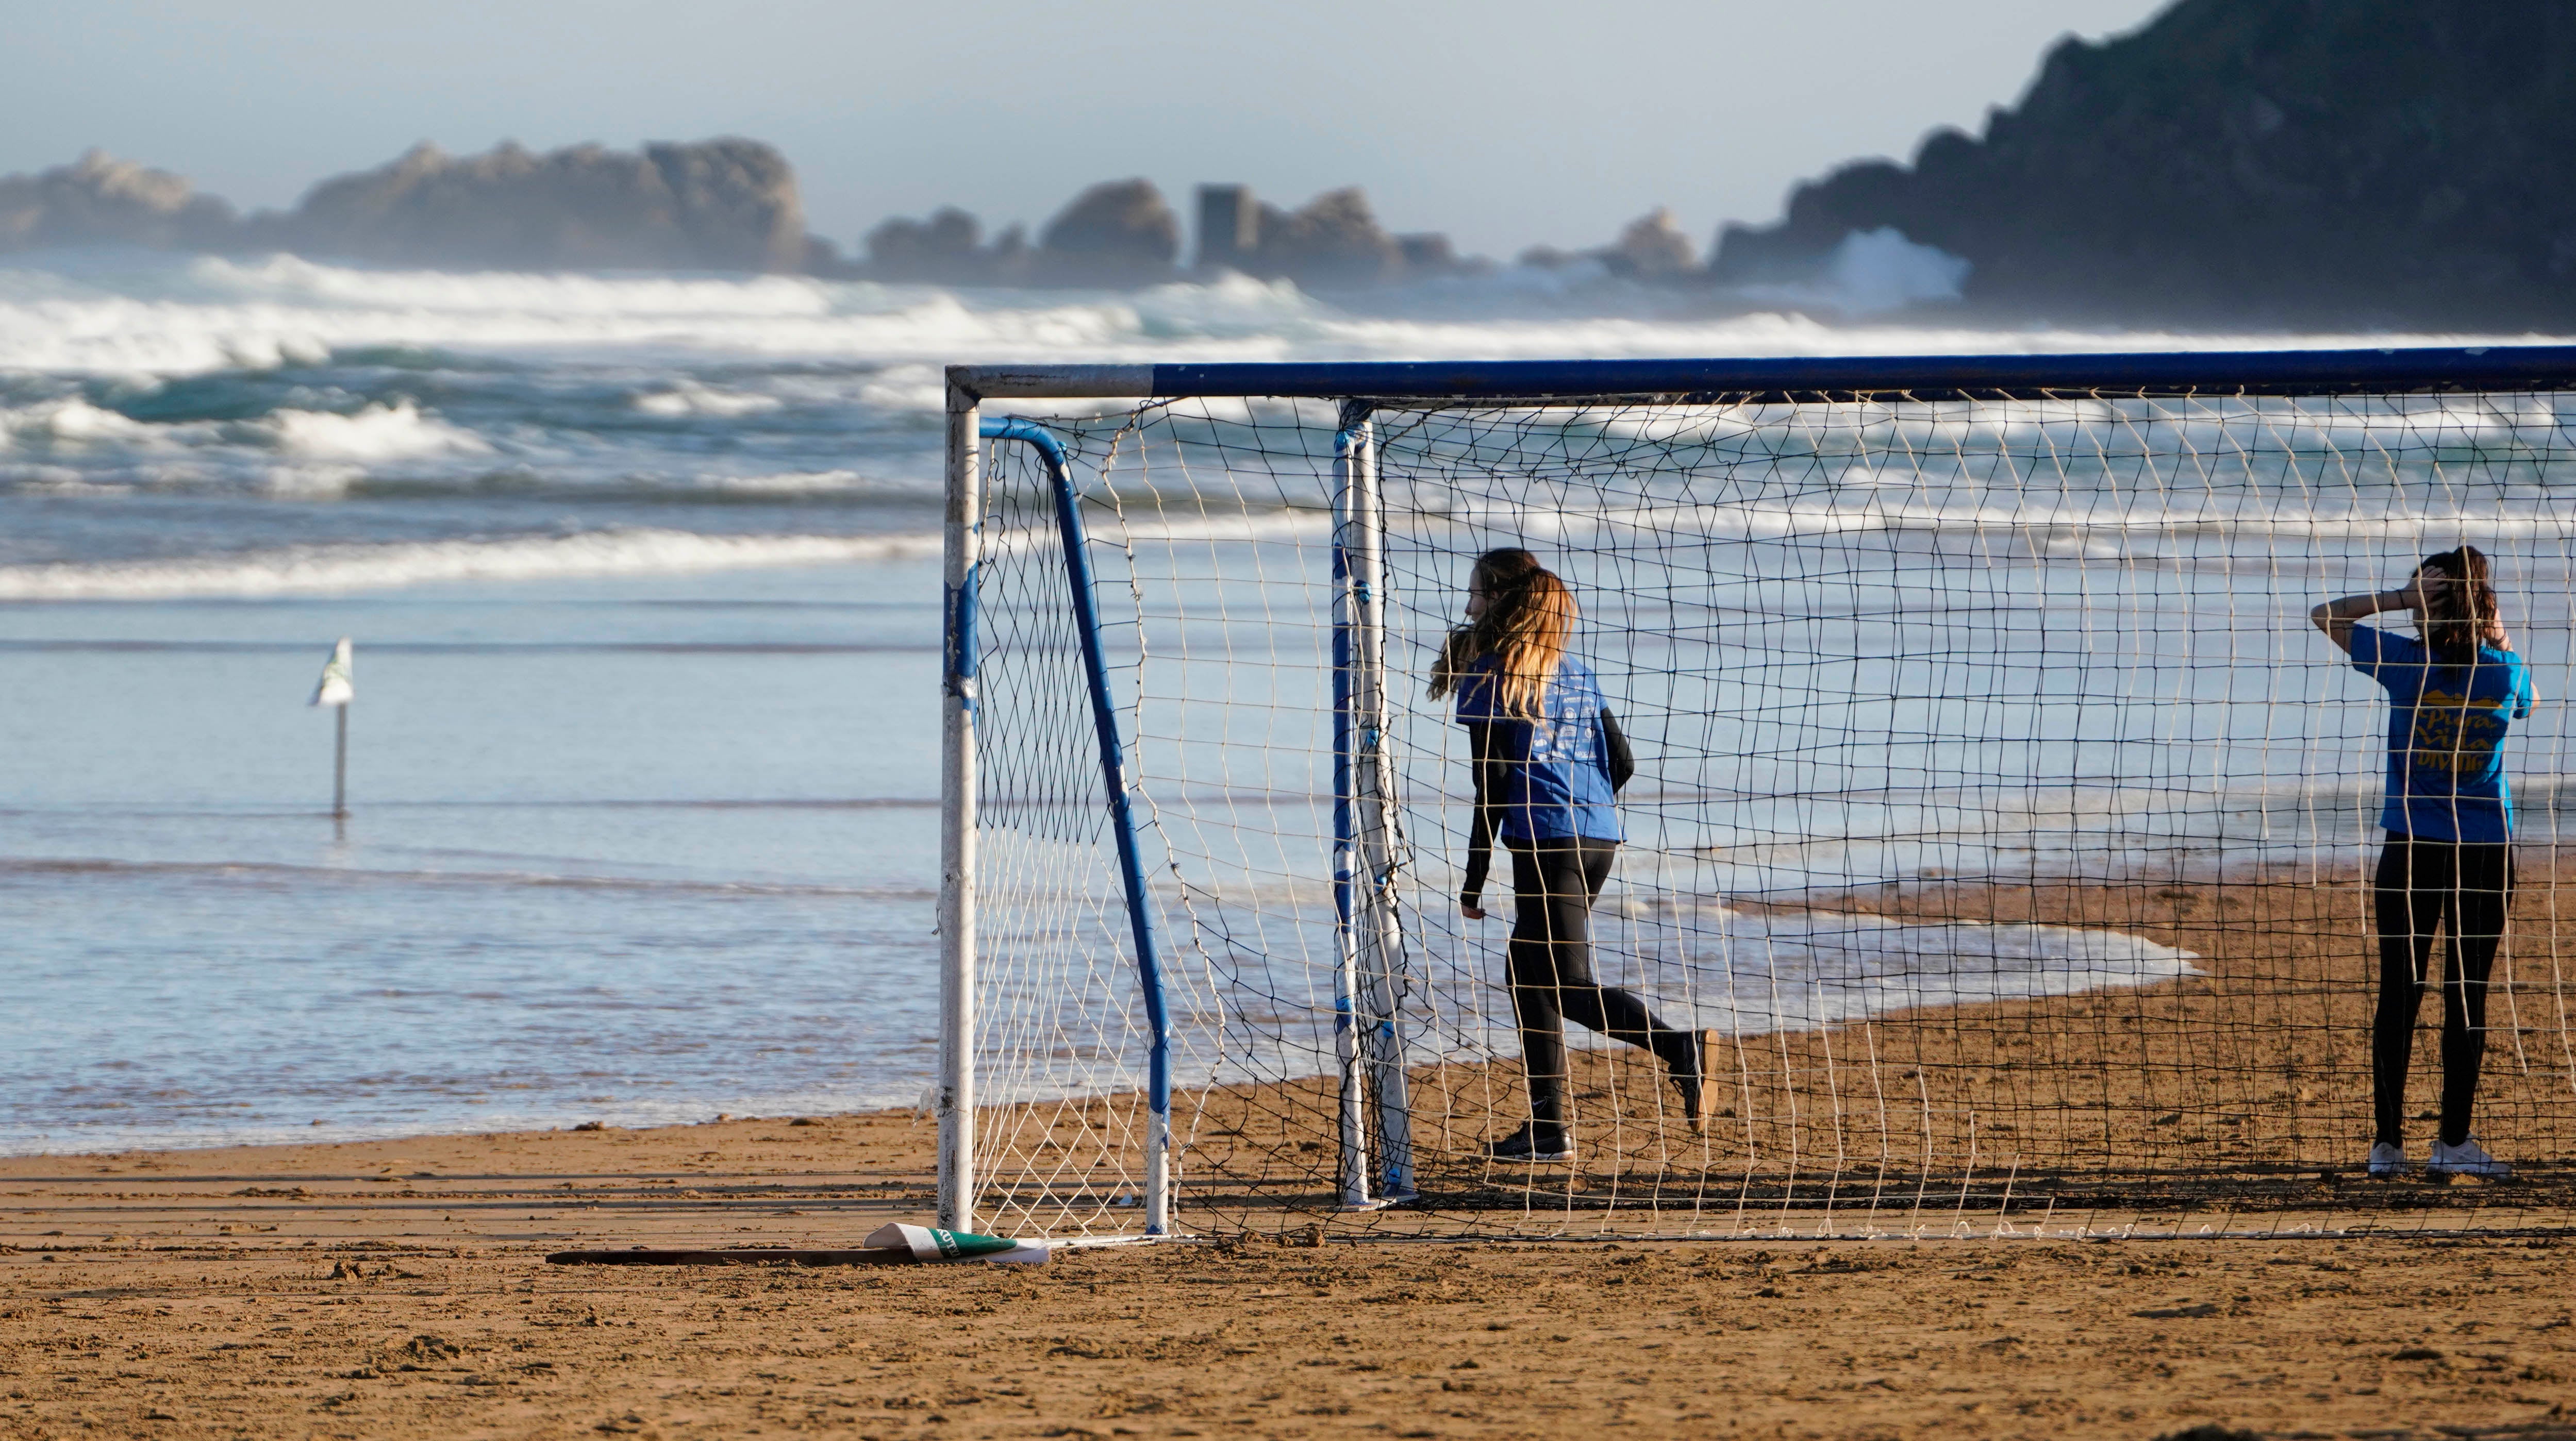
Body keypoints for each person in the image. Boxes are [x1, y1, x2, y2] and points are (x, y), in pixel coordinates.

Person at [1429, 547, 1703, 1163]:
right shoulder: (1574, 671)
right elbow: (1623, 761)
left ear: (1498, 601)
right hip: (1597, 834)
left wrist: (1473, 877)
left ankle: (1680, 1048)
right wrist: (1583, 808)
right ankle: (1547, 1130)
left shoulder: (1489, 673)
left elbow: (1491, 784)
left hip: (1546, 842)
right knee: (1527, 974)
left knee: (1565, 980)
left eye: (1474, 593)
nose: (1467, 604)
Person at [2311, 546, 2535, 1180]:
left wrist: (2400, 599)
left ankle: (2387, 1147)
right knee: (2469, 996)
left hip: (2411, 850)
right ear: (2481, 606)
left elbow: (2324, 614)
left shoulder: (2405, 662)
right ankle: (2454, 1142)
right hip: (2485, 851)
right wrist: (2494, 631)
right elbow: (2532, 699)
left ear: (2429, 609)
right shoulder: (2504, 671)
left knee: (2398, 995)